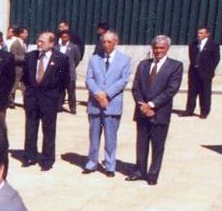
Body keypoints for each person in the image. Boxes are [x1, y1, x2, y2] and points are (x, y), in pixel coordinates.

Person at [128, 35, 184, 186]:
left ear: (167, 48)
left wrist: (151, 105)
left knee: (158, 146)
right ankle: (140, 171)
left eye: (161, 48)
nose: (158, 51)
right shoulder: (143, 65)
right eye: (156, 48)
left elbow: (171, 90)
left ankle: (153, 175)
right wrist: (143, 106)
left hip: (160, 113)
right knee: (141, 144)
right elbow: (136, 88)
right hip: (142, 112)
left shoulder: (175, 66)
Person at [83, 31, 131, 177]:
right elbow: (89, 79)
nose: (106, 44)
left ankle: (110, 166)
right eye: (104, 42)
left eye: (109, 42)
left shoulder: (124, 59)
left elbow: (123, 80)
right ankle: (92, 163)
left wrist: (107, 94)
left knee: (111, 138)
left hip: (112, 104)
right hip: (95, 104)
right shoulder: (94, 59)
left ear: (116, 42)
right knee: (93, 137)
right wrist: (98, 94)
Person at [21, 32, 71, 170]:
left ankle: (47, 160)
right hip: (32, 99)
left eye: (42, 41)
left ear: (51, 43)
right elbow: (25, 78)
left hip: (49, 100)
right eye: (38, 41)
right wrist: (27, 94)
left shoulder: (61, 59)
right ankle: (29, 156)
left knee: (48, 131)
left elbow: (64, 81)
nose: (39, 43)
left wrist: (56, 98)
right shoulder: (30, 56)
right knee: (30, 128)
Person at [185, 25, 220, 118]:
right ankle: (189, 110)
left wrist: (209, 69)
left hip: (206, 73)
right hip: (194, 72)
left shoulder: (213, 45)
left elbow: (216, 59)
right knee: (192, 92)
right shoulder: (193, 44)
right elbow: (191, 57)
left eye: (201, 33)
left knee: (204, 93)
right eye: (198, 33)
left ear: (207, 34)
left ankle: (204, 112)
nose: (199, 35)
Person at [55, 29, 83, 114]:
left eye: (66, 37)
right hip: (59, 73)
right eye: (63, 37)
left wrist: (72, 67)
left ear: (69, 37)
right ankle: (59, 106)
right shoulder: (56, 47)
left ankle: (72, 108)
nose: (64, 38)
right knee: (60, 91)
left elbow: (77, 59)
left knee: (71, 92)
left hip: (70, 73)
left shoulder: (74, 47)